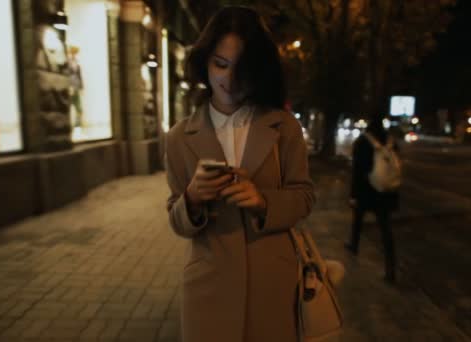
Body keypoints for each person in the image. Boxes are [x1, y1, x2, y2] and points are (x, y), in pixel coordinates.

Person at [164, 6, 315, 342]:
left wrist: (264, 202)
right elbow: (175, 217)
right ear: (205, 61)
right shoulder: (179, 137)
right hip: (208, 289)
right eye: (221, 64)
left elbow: (304, 196)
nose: (229, 81)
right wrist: (191, 199)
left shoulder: (284, 127)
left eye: (243, 69)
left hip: (273, 287)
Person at [345, 118, 400, 283]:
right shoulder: (391, 141)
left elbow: (356, 171)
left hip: (366, 191)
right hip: (385, 193)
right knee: (386, 230)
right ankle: (391, 269)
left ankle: (354, 245)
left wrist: (353, 194)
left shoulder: (363, 142)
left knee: (358, 218)